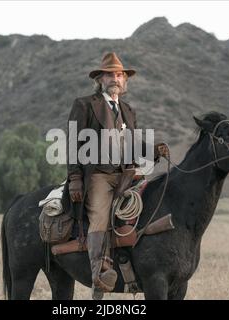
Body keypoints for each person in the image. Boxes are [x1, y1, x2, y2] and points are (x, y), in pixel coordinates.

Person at [63, 52, 169, 298]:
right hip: (99, 175)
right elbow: (71, 143)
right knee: (100, 215)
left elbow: (131, 142)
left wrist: (153, 150)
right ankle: (100, 271)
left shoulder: (128, 110)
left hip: (127, 175)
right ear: (100, 79)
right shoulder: (85, 104)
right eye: (110, 74)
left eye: (119, 74)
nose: (115, 78)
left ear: (125, 81)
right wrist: (75, 179)